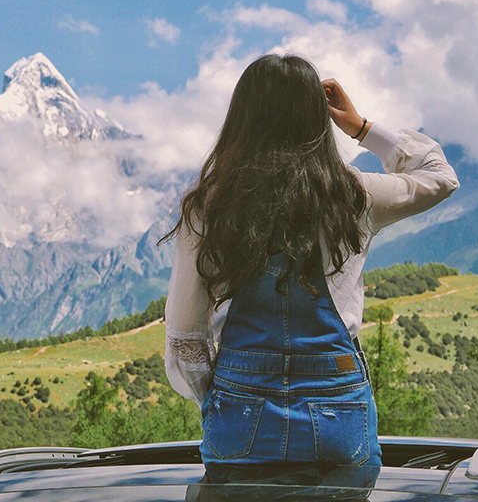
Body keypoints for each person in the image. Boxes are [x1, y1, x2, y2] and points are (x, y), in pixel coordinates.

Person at [163, 53, 459, 472]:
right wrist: (361, 128)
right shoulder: (355, 195)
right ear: (316, 120)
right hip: (339, 410)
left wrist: (223, 399)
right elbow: (440, 176)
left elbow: (185, 343)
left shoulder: (209, 205)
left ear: (242, 118)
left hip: (238, 413)